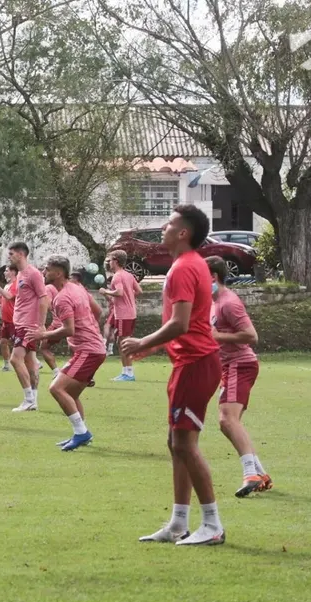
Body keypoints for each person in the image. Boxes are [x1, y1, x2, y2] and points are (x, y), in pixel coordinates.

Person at [122, 205, 225, 546]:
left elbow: (180, 324)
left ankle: (212, 524)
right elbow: (187, 323)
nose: (163, 229)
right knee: (175, 443)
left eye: (169, 225)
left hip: (196, 364)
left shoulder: (184, 267)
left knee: (184, 444)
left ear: (183, 233)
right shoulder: (189, 264)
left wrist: (143, 340)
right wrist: (153, 347)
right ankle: (179, 522)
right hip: (189, 362)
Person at [204, 256, 270, 497]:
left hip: (239, 365)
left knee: (226, 420)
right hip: (230, 366)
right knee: (231, 424)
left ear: (212, 276)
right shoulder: (213, 301)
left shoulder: (228, 302)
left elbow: (251, 336)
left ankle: (250, 474)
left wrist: (218, 337)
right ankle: (259, 474)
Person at [38, 255, 107, 450]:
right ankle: (81, 433)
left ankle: (82, 433)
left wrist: (43, 334)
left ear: (58, 273)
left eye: (47, 269)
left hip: (88, 350)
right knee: (72, 393)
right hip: (93, 348)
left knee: (56, 388)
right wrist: (90, 332)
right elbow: (99, 311)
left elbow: (69, 329)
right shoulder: (78, 288)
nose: (44, 272)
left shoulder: (61, 298)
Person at [7, 243, 46, 411]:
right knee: (30, 362)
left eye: (11, 253)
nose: (9, 256)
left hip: (28, 325)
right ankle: (33, 401)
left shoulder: (33, 274)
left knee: (15, 359)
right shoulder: (21, 274)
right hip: (20, 323)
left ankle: (28, 399)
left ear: (21, 254)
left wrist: (41, 325)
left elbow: (44, 298)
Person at [100, 250, 142, 381]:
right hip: (129, 313)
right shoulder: (129, 275)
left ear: (116, 261)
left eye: (110, 260)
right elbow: (139, 291)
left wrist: (105, 290)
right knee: (121, 342)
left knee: (123, 343)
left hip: (124, 314)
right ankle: (126, 372)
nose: (109, 263)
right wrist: (128, 299)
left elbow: (119, 292)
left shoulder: (117, 276)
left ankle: (128, 373)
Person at [0, 266, 18, 372]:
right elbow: (0, 299)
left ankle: (34, 361)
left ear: (13, 272)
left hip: (13, 320)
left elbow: (9, 296)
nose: (4, 273)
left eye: (7, 271)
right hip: (6, 320)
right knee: (3, 342)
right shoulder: (7, 285)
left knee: (18, 344)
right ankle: (7, 365)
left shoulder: (15, 285)